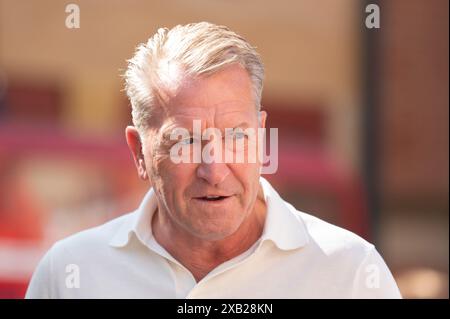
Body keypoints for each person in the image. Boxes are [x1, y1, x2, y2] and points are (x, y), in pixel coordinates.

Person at [26, 22, 401, 298]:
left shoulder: (350, 273)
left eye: (236, 137)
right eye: (186, 141)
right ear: (139, 152)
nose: (215, 171)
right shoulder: (69, 274)